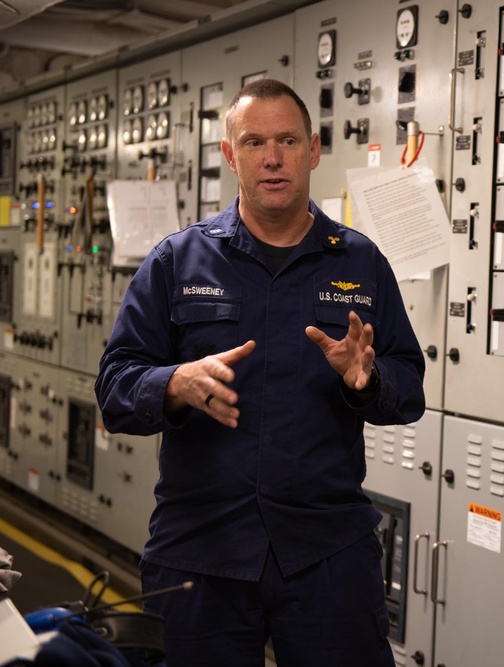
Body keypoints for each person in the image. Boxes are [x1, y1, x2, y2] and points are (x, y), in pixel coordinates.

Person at [95, 78, 426, 666]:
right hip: (201, 550)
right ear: (229, 155)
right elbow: (116, 387)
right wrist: (173, 383)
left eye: (287, 141)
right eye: (253, 142)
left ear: (314, 149)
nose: (272, 158)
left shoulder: (362, 262)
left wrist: (368, 382)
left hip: (326, 553)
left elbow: (409, 388)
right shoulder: (177, 261)